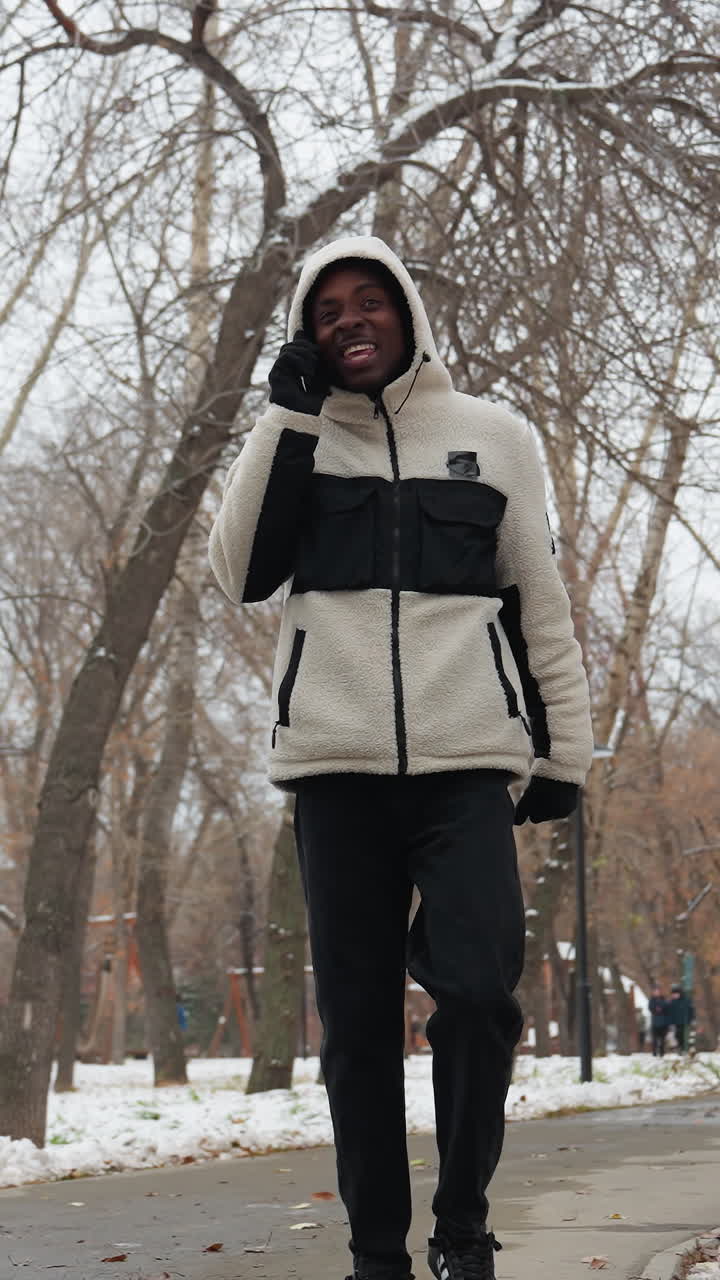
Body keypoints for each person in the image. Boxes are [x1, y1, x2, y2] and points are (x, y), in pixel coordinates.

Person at [209, 237, 593, 1280]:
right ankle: (377, 1250)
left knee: (479, 993)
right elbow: (239, 570)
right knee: (360, 1029)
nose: (350, 320)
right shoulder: (293, 434)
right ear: (310, 332)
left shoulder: (494, 438)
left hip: (467, 762)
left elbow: (540, 604)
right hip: (334, 775)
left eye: (369, 300)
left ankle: (462, 1220)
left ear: (407, 313)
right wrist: (284, 420)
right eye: (328, 309)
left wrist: (568, 750)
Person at [668, 983, 694, 1052]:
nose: (674, 996)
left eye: (675, 994)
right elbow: (670, 1012)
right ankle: (681, 1048)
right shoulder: (672, 1002)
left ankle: (686, 1049)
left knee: (685, 1036)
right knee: (677, 1035)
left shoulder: (685, 1000)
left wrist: (691, 1019)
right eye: (673, 994)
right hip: (676, 1022)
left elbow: (690, 1010)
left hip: (685, 1021)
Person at [648, 984, 669, 1057]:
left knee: (662, 1039)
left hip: (663, 1023)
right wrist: (657, 1009)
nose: (657, 993)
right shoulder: (652, 1000)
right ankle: (654, 1053)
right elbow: (651, 1008)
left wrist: (660, 1008)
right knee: (655, 1039)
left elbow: (666, 1008)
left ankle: (662, 1053)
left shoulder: (664, 999)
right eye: (655, 991)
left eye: (658, 991)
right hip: (655, 1023)